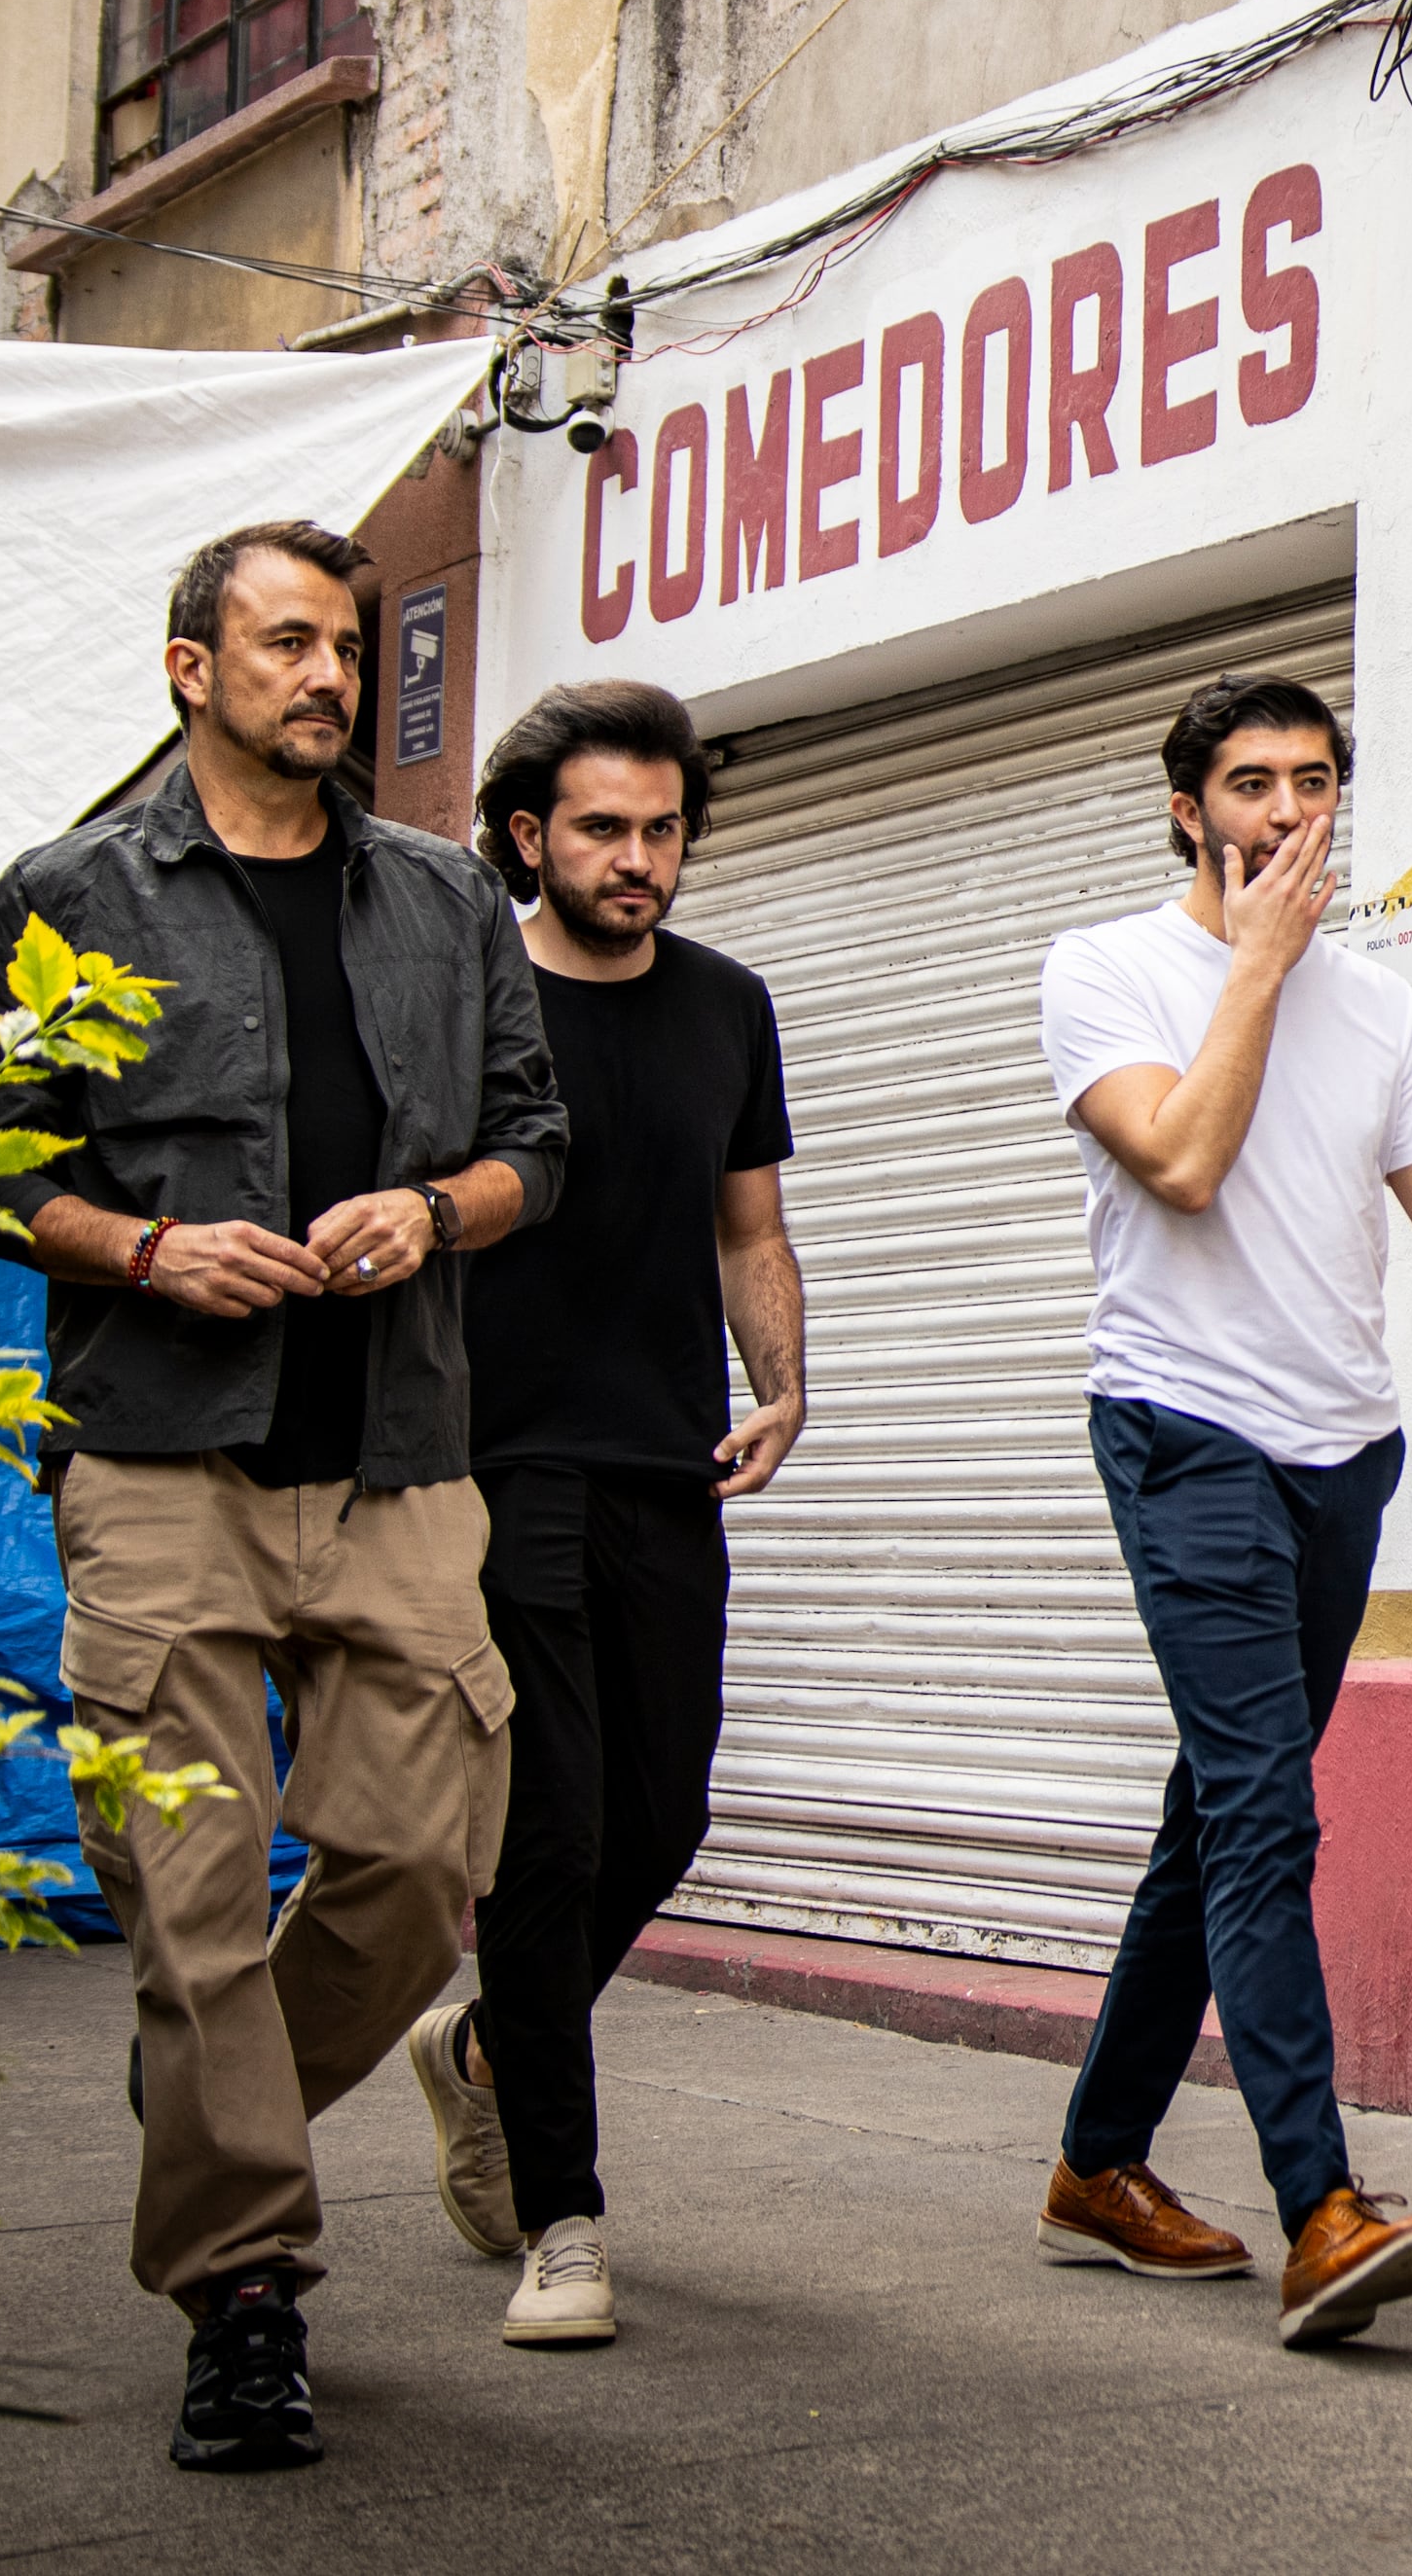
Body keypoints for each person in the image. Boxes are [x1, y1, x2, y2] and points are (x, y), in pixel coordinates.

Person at [0, 518, 566, 2475]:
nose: (328, 674)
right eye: (286, 641)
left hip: (398, 1453)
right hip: (163, 1460)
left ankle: (213, 2099)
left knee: (408, 1865)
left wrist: (431, 1205)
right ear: (187, 670)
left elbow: (534, 1144)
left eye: (348, 643)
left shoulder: (447, 897)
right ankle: (246, 2295)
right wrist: (141, 1251)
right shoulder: (68, 898)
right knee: (196, 1903)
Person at [1031, 671, 1412, 2347]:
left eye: (1311, 781)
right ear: (1185, 807)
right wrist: (1257, 967)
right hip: (1184, 1432)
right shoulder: (1107, 970)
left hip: (1341, 1455)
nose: (1286, 812)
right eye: (1248, 783)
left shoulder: (1378, 1007)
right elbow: (1184, 1159)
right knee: (1266, 1812)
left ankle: (1096, 2165)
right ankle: (1325, 2207)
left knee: (1216, 1814)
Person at [404, 682, 806, 2353]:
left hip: (664, 1462)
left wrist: (780, 1377)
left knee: (663, 1814)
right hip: (496, 1465)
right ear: (526, 838)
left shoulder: (728, 1004)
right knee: (552, 1835)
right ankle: (563, 2220)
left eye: (661, 831)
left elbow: (746, 1224)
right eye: (601, 830)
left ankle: (488, 2044)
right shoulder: (461, 1002)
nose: (639, 860)